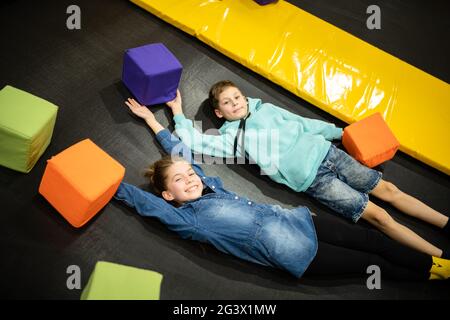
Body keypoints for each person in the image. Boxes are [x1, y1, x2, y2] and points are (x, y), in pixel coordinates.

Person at [114, 97, 450, 281]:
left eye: (189, 173)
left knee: (373, 240)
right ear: (169, 196)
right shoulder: (189, 222)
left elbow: (181, 153)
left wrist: (155, 120)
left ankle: (442, 265)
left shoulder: (210, 185)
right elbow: (147, 203)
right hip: (299, 254)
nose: (190, 178)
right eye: (179, 181)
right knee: (372, 263)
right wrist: (110, 185)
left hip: (299, 220)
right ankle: (437, 274)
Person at [167, 81, 450, 259]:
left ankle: (446, 223)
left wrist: (342, 133)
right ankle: (439, 258)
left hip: (329, 153)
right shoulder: (233, 139)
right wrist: (177, 111)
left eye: (237, 97)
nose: (235, 103)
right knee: (379, 216)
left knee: (390, 191)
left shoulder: (265, 109)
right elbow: (193, 140)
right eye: (227, 102)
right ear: (219, 113)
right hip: (315, 181)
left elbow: (303, 122)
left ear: (244, 97)